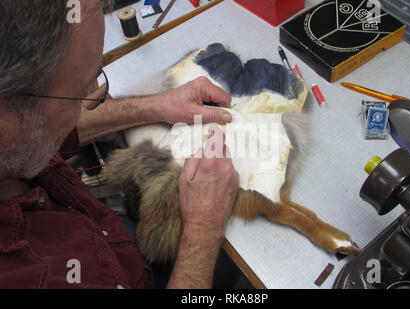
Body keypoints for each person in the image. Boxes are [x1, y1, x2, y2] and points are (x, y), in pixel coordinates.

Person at [0, 0, 239, 288]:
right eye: (79, 94)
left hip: (108, 234)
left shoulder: (19, 135)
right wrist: (203, 229)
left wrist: (157, 105)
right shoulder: (32, 275)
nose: (84, 110)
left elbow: (44, 124)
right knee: (228, 265)